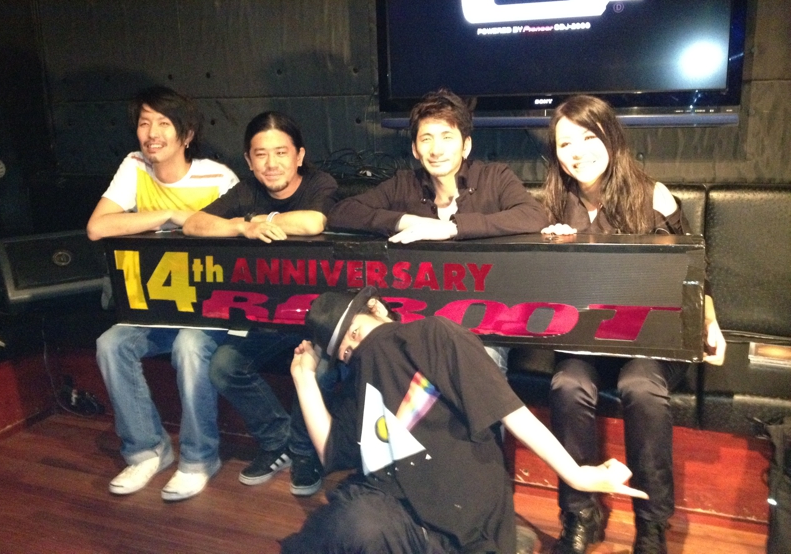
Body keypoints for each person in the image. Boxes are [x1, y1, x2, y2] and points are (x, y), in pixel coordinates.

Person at [281, 286, 647, 554]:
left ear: (376, 308)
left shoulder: (432, 335)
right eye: (347, 350)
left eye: (357, 332)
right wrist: (303, 377)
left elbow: (509, 410)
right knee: (347, 525)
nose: (359, 348)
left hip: (465, 518)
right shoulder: (358, 382)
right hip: (396, 509)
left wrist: (576, 474)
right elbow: (333, 450)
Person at [540, 95, 727, 554]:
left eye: (589, 137)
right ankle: (580, 514)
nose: (578, 152)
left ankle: (652, 524)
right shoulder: (551, 205)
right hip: (586, 341)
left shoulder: (652, 195)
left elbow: (692, 273)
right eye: (566, 144)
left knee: (641, 386)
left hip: (649, 341)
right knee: (567, 384)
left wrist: (710, 321)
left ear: (611, 138)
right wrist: (549, 247)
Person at [326, 87, 547, 373]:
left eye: (447, 137)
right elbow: (341, 213)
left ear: (466, 146)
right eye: (426, 139)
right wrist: (406, 221)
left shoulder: (495, 177)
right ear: (415, 149)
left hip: (481, 322)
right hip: (417, 319)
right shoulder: (404, 184)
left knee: (477, 365)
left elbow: (533, 215)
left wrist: (452, 228)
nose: (436, 149)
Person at [87, 85, 239, 501]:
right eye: (144, 123)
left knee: (190, 345)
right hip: (154, 309)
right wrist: (169, 214)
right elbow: (98, 227)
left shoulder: (217, 177)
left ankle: (199, 458)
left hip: (209, 312)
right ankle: (147, 450)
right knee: (110, 344)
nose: (152, 134)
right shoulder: (135, 166)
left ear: (186, 134)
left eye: (164, 123)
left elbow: (238, 235)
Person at [184, 111, 338, 496]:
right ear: (249, 161)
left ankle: (304, 451)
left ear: (299, 155)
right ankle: (278, 441)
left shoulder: (320, 182)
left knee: (319, 372)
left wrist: (263, 220)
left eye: (281, 152)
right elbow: (193, 224)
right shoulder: (246, 191)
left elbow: (312, 223)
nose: (271, 163)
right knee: (224, 366)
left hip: (316, 319)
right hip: (266, 317)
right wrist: (242, 226)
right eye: (261, 154)